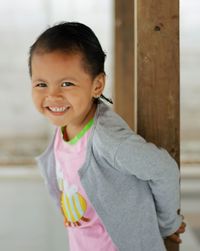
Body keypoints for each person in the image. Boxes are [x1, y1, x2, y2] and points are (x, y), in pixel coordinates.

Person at [29, 22, 185, 251]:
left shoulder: (108, 141)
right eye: (41, 84)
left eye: (67, 84)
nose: (53, 96)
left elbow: (163, 169)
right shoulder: (65, 125)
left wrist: (168, 223)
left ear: (97, 85)